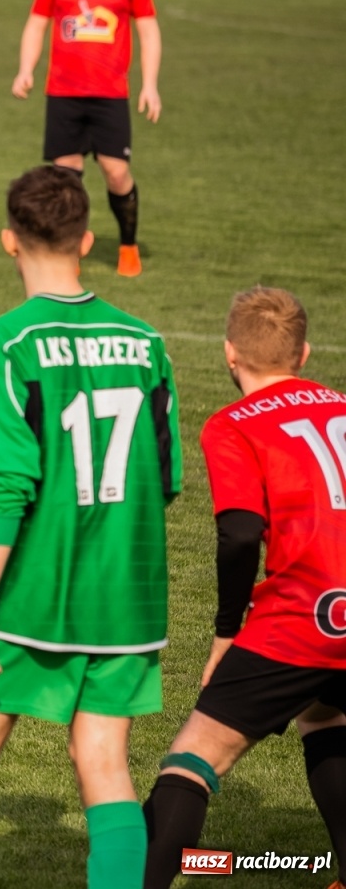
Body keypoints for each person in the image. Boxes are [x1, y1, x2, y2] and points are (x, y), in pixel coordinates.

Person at [0, 165, 181, 889]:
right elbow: (167, 480)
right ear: (87, 239)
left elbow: (11, 484)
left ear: (7, 242)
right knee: (105, 764)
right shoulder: (147, 341)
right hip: (130, 594)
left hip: (37, 586)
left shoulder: (9, 341)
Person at [142, 287, 346, 889]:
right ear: (304, 353)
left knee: (194, 757)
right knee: (324, 712)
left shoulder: (231, 424)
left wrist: (227, 632)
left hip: (304, 614)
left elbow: (238, 535)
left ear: (230, 354)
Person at [12, 0, 162, 278]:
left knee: (115, 172)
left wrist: (150, 85)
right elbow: (36, 24)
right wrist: (25, 70)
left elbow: (148, 31)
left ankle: (127, 245)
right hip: (63, 92)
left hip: (110, 94)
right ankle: (68, 253)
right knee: (65, 179)